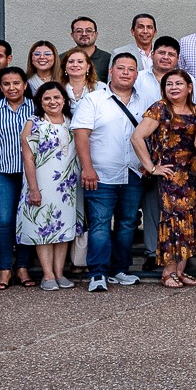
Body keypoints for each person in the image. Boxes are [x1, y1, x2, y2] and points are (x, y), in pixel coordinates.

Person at [73, 53, 154, 292]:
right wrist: (87, 168)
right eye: (121, 68)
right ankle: (98, 272)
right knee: (99, 223)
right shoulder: (94, 100)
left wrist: (147, 163)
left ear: (136, 74)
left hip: (133, 172)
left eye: (131, 69)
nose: (126, 73)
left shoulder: (144, 102)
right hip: (100, 173)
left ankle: (120, 269)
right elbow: (81, 135)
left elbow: (152, 135)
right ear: (111, 71)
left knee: (127, 223)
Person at [131, 70, 196, 289]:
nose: (174, 87)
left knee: (189, 223)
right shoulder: (159, 109)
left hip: (195, 175)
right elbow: (137, 137)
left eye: (179, 83)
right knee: (174, 223)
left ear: (189, 87)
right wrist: (151, 167)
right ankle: (168, 272)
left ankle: (180, 271)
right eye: (169, 84)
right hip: (172, 177)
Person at [16, 83, 80, 290]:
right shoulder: (33, 123)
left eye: (56, 98)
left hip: (67, 187)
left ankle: (60, 273)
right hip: (41, 184)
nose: (53, 102)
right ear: (40, 102)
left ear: (64, 100)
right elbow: (28, 159)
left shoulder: (72, 122)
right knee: (43, 229)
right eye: (47, 99)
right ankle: (48, 275)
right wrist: (33, 188)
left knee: (63, 229)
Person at [69, 17, 110, 82]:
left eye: (89, 31)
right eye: (79, 31)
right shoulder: (63, 59)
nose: (84, 34)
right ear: (72, 35)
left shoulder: (108, 59)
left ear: (96, 34)